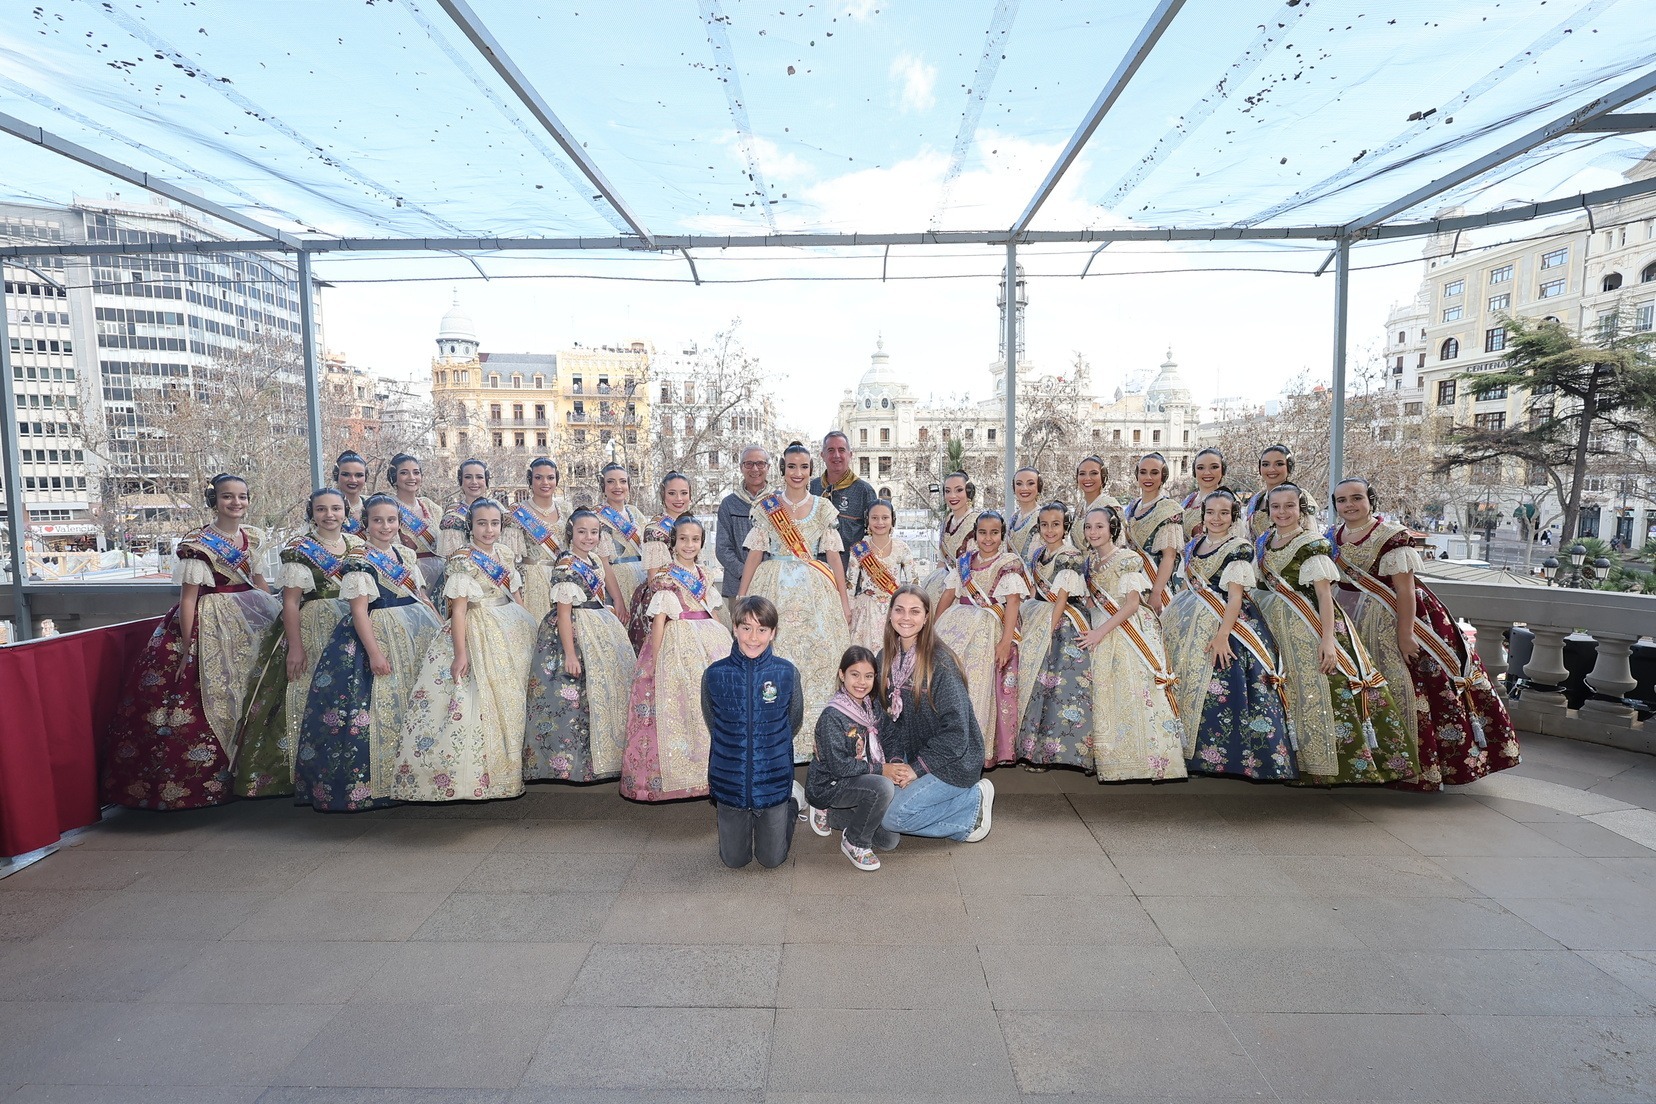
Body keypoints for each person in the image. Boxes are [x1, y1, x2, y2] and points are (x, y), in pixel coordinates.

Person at [101, 474, 281, 810]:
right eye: (228, 496)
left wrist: (275, 616)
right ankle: (209, 782)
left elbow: (260, 584)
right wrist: (188, 646)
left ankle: (251, 773)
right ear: (215, 500)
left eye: (242, 496)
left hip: (250, 620)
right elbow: (188, 599)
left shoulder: (252, 537)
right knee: (210, 693)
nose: (236, 503)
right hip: (211, 623)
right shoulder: (197, 544)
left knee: (252, 692)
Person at [1330, 478, 1520, 790]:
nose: (1349, 505)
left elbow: (1405, 591)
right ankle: (1367, 762)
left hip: (1392, 619)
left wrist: (1405, 634)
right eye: (1342, 500)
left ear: (1370, 500)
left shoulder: (1391, 537)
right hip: (1350, 620)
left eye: (1356, 498)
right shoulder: (1333, 536)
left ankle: (1415, 767)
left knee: (1403, 686)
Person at [1255, 484, 1417, 785]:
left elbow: (1325, 596)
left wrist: (1328, 640)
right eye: (1275, 506)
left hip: (1310, 627)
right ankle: (1293, 762)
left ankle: (1331, 766)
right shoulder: (1264, 540)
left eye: (1289, 506)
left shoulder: (1312, 544)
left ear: (1301, 509)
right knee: (1289, 693)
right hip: (1275, 627)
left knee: (1320, 690)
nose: (1282, 512)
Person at [295, 494, 442, 811]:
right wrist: (374, 653)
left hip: (414, 632)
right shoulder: (359, 560)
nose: (385, 526)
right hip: (377, 635)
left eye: (391, 520)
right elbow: (359, 611)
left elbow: (421, 596)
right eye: (377, 520)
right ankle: (380, 782)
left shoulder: (405, 554)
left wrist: (440, 626)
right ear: (365, 524)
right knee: (378, 707)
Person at [392, 498, 539, 802]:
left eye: (494, 523)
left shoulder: (504, 553)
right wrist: (461, 653)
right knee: (482, 700)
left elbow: (516, 595)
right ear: (470, 526)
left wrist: (529, 625)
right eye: (482, 523)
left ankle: (515, 767)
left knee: (513, 699)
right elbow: (458, 611)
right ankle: (482, 777)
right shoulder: (462, 560)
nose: (489, 529)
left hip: (511, 628)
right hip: (478, 629)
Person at [233, 488, 366, 797]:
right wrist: (295, 647)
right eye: (321, 509)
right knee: (304, 692)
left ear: (346, 512)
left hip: (352, 624)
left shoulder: (358, 545)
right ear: (312, 513)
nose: (329, 515)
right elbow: (290, 603)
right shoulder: (300, 550)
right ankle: (299, 770)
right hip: (313, 626)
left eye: (336, 508)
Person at [1163, 490, 1296, 781]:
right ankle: (1184, 752)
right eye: (1211, 512)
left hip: (1227, 623)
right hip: (1187, 620)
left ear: (1233, 516)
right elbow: (1187, 586)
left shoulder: (1239, 549)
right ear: (1203, 515)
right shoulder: (1193, 545)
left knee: (1223, 685)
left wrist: (1223, 635)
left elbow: (1235, 597)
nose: (1216, 518)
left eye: (1224, 513)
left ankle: (1229, 759)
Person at [737, 441, 853, 755]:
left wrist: (844, 602)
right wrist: (742, 596)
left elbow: (834, 557)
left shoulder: (824, 508)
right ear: (783, 470)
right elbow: (755, 554)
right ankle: (772, 735)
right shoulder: (767, 506)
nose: (797, 473)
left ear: (811, 470)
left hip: (816, 590)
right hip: (772, 587)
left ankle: (818, 737)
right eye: (791, 467)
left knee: (820, 657)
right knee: (773, 655)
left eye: (803, 467)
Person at [620, 517, 733, 801]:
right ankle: (679, 775)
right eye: (683, 539)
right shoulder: (665, 578)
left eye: (695, 539)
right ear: (673, 542)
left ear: (702, 543)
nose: (689, 545)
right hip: (678, 640)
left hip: (709, 638)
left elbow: (713, 611)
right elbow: (659, 620)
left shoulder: (705, 575)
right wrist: (656, 661)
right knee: (681, 703)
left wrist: (726, 641)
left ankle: (714, 773)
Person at [523, 508, 635, 782]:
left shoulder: (594, 560)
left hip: (599, 625)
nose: (588, 537)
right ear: (570, 532)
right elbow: (563, 614)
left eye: (594, 532)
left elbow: (594, 597)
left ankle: (607, 756)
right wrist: (571, 654)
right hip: (574, 633)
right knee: (575, 698)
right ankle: (575, 765)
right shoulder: (566, 565)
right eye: (582, 532)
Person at [1077, 507, 1188, 782]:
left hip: (1125, 629)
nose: (1093, 532)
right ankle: (1109, 759)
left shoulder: (1127, 559)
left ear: (1112, 528)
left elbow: (1131, 604)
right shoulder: (1090, 561)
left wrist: (1099, 633)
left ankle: (1144, 762)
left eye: (1100, 526)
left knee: (1133, 694)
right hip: (1099, 622)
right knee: (1105, 695)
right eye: (1089, 527)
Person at [878, 586, 994, 842]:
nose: (905, 618)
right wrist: (897, 763)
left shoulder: (940, 663)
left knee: (893, 818)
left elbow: (957, 733)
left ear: (926, 617)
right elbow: (887, 721)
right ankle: (956, 813)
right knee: (881, 803)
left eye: (914, 611)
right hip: (914, 752)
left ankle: (972, 804)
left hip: (952, 761)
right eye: (899, 610)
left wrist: (916, 770)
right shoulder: (885, 658)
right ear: (890, 614)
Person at [704, 596, 806, 869]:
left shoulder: (787, 673)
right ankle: (744, 820)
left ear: (773, 633)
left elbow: (793, 720)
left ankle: (792, 804)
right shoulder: (714, 674)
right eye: (746, 628)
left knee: (772, 860)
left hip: (772, 780)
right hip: (730, 782)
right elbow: (713, 722)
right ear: (734, 628)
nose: (753, 637)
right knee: (734, 861)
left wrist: (770, 747)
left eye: (762, 629)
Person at [934, 511, 1029, 766]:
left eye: (994, 533)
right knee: (949, 680)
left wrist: (1005, 642)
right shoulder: (964, 562)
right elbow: (948, 595)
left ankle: (974, 749)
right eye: (983, 532)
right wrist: (933, 628)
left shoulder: (1008, 564)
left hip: (987, 631)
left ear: (1002, 535)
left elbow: (1013, 604)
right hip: (956, 625)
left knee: (978, 686)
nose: (988, 538)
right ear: (975, 535)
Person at [806, 645, 900, 871]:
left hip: (861, 778)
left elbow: (890, 737)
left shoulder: (872, 706)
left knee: (889, 840)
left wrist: (895, 763)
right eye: (854, 674)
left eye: (868, 676)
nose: (861, 682)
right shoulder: (833, 716)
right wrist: (882, 770)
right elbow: (840, 767)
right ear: (842, 674)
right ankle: (855, 842)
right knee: (883, 788)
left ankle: (834, 816)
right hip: (832, 785)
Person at [1016, 503, 1094, 768]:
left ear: (1066, 526)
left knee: (1055, 686)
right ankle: (1028, 748)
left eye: (1056, 524)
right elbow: (1034, 590)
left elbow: (1061, 598)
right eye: (1045, 525)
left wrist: (1047, 631)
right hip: (1038, 612)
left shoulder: (1069, 556)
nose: (1050, 530)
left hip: (1062, 622)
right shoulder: (1038, 553)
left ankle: (1050, 753)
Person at [626, 471, 695, 650]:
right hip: (665, 598)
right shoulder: (656, 529)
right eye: (672, 493)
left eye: (684, 493)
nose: (679, 499)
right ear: (663, 495)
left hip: (692, 593)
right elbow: (654, 578)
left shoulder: (691, 523)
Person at [845, 499, 915, 652]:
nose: (880, 522)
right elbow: (850, 585)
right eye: (875, 518)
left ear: (892, 519)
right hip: (866, 610)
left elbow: (914, 583)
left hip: (895, 609)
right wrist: (848, 611)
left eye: (885, 517)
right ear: (867, 520)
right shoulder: (860, 548)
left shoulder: (902, 548)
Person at [504, 457, 568, 623]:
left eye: (550, 477)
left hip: (563, 580)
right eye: (538, 477)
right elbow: (507, 560)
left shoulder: (566, 509)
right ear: (530, 480)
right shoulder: (517, 513)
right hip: (532, 582)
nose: (545, 482)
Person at [1124, 452, 1185, 612]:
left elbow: (1169, 556)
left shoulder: (1169, 509)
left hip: (1156, 584)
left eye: (1154, 472)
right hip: (1132, 583)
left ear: (1163, 475)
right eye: (1143, 472)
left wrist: (1156, 592)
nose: (1148, 477)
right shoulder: (1132, 506)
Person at [716, 445, 771, 610]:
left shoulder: (778, 502)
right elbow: (722, 548)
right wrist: (745, 572)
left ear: (768, 467)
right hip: (737, 585)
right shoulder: (729, 504)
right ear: (741, 467)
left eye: (760, 463)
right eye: (749, 464)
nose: (755, 469)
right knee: (741, 626)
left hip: (772, 584)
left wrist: (766, 573)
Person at [810, 429, 880, 552]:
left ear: (850, 455)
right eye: (831, 450)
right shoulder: (812, 488)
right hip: (815, 562)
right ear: (822, 455)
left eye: (841, 450)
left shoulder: (864, 491)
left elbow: (875, 534)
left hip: (850, 561)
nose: (836, 455)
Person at [595, 462, 651, 613]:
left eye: (623, 481)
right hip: (616, 582)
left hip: (642, 579)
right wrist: (617, 599)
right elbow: (603, 562)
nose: (618, 486)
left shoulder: (635, 512)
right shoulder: (598, 517)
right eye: (611, 482)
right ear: (603, 486)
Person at [919, 471, 981, 604]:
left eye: (959, 490)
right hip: (943, 583)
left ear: (969, 492)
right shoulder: (947, 520)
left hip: (968, 589)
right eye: (948, 491)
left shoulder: (977, 521)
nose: (952, 496)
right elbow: (942, 561)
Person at [389, 452, 445, 595]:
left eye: (416, 472)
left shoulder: (431, 507)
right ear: (394, 477)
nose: (412, 477)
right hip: (409, 574)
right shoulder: (389, 507)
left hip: (439, 575)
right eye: (404, 473)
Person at [438, 458, 492, 559]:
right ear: (461, 481)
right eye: (468, 477)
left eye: (479, 477)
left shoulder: (500, 511)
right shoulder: (453, 517)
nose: (474, 482)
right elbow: (453, 561)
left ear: (486, 480)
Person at [1069, 455, 1123, 550]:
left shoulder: (1111, 506)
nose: (1087, 478)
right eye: (1082, 473)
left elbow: (1120, 543)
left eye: (1094, 473)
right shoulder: (1080, 507)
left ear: (1103, 476)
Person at [1246, 444, 1296, 540]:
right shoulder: (1255, 500)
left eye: (1279, 464)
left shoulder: (1299, 497)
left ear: (1290, 467)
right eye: (1265, 464)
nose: (1271, 469)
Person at [1180, 447, 1229, 540]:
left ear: (1223, 470)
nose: (1207, 473)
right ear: (1194, 471)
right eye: (1201, 468)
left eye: (1214, 467)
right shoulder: (1190, 499)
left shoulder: (1227, 501)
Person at [1005, 466, 1045, 560]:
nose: (1024, 488)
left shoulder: (1043, 517)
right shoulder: (1013, 517)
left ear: (1038, 486)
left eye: (1030, 483)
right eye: (1019, 484)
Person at [332, 450, 369, 535]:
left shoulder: (373, 506)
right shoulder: (324, 507)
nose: (353, 480)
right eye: (346, 474)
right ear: (336, 476)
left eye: (359, 475)